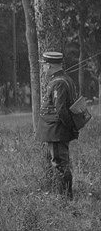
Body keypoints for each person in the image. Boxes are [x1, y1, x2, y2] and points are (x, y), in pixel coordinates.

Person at [35, 51, 79, 200]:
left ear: (50, 66)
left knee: (60, 165)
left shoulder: (58, 82)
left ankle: (65, 199)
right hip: (58, 130)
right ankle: (66, 197)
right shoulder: (64, 79)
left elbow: (60, 109)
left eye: (45, 66)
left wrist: (70, 127)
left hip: (57, 130)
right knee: (60, 163)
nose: (44, 69)